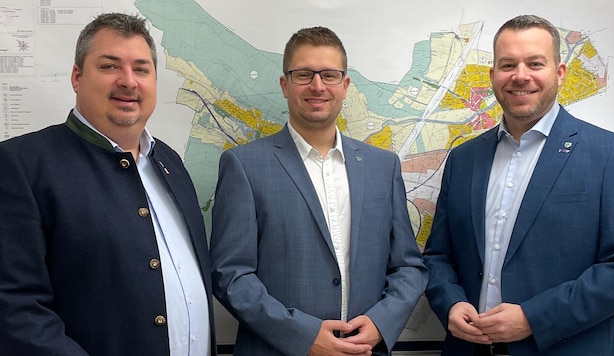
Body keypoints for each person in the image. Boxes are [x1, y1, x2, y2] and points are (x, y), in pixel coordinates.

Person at [0, 13, 216, 355]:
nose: (128, 81)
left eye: (141, 69)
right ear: (77, 76)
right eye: (110, 66)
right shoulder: (21, 164)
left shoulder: (170, 162)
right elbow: (14, 309)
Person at [209, 26, 428, 355]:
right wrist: (302, 335)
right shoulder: (244, 166)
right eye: (303, 74)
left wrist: (382, 322)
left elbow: (408, 266)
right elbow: (230, 275)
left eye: (329, 75)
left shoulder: (384, 167)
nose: (317, 86)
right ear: (285, 85)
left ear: (345, 86)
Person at [423, 14, 614, 356]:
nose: (520, 76)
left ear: (559, 73)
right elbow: (438, 255)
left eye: (535, 63)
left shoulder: (613, 155)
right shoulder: (463, 159)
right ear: (492, 76)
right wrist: (451, 304)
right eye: (508, 65)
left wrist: (534, 318)